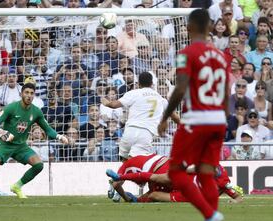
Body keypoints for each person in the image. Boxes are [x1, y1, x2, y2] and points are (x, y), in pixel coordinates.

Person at [158, 9, 229, 221]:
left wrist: (164, 118)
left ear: (188, 28)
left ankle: (211, 215)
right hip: (219, 120)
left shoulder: (186, 54)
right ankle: (212, 217)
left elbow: (180, 89)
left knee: (176, 173)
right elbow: (225, 95)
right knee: (206, 173)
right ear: (209, 27)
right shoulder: (222, 56)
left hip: (197, 119)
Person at [106, 154, 244, 204]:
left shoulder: (222, 181)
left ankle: (135, 200)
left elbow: (238, 196)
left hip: (187, 195)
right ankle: (121, 180)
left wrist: (235, 201)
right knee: (159, 180)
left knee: (155, 194)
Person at [102, 72, 179, 160]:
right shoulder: (161, 99)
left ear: (138, 84)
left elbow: (114, 105)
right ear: (152, 84)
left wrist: (106, 102)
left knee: (124, 160)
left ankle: (122, 173)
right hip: (146, 133)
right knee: (137, 162)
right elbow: (175, 118)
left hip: (130, 131)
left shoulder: (133, 93)